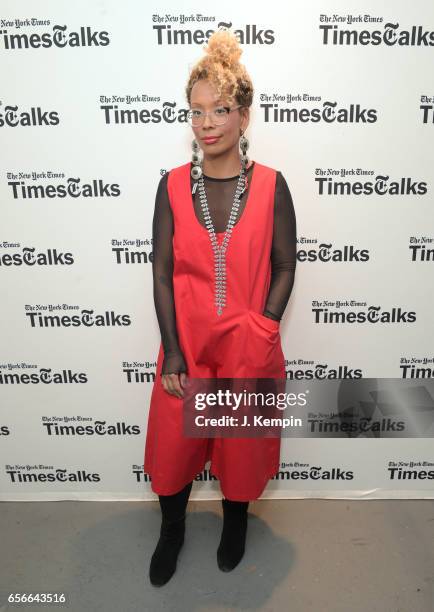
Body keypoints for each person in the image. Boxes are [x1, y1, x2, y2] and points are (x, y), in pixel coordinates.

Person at [144, 27, 297, 586]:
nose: (206, 122)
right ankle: (172, 528)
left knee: (240, 452)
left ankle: (235, 524)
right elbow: (161, 271)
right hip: (186, 345)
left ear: (244, 117)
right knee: (174, 447)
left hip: (245, 349)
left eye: (220, 109)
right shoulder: (172, 186)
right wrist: (175, 352)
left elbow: (285, 265)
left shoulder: (274, 186)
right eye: (196, 111)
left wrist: (263, 329)